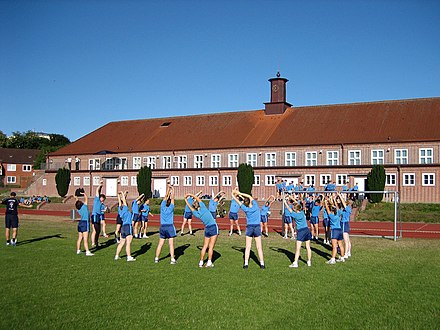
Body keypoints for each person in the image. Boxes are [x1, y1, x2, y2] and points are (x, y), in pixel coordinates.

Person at [232, 189, 265, 269]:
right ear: (250, 201)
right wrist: (240, 193)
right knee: (259, 247)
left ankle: (246, 264)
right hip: (257, 227)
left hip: (249, 227)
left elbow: (239, 201)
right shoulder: (256, 206)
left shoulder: (245, 209)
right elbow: (249, 197)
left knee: (248, 247)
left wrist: (234, 194)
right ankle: (262, 264)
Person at [185, 193, 219, 268]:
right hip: (213, 227)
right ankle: (209, 262)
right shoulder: (203, 207)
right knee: (211, 247)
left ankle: (201, 262)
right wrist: (190, 194)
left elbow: (190, 207)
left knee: (205, 246)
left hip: (207, 228)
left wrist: (186, 200)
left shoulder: (196, 213)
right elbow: (198, 199)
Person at [285, 197, 312, 268]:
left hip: (301, 231)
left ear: (295, 209)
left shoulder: (295, 215)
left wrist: (285, 202)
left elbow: (289, 209)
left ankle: (295, 263)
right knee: (308, 247)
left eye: (294, 207)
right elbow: (297, 204)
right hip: (306, 230)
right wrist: (291, 198)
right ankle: (309, 261)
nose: (293, 207)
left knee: (298, 248)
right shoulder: (302, 212)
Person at [155, 185, 177, 264]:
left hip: (162, 226)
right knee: (171, 244)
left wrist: (168, 188)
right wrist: (173, 189)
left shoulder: (162, 206)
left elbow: (165, 196)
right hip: (169, 226)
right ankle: (172, 259)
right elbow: (173, 198)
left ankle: (156, 258)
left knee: (160, 244)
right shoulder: (171, 207)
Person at [114, 191, 136, 261]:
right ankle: (129, 257)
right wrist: (122, 194)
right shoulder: (126, 209)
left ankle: (116, 255)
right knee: (128, 243)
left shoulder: (120, 210)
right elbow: (123, 200)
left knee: (121, 242)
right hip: (128, 226)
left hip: (123, 227)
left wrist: (118, 195)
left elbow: (120, 202)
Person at [324, 197, 345, 264]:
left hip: (334, 231)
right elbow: (337, 207)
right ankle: (342, 257)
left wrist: (325, 202)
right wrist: (333, 201)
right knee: (340, 245)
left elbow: (327, 209)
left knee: (334, 246)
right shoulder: (338, 213)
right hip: (340, 230)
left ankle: (333, 259)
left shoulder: (331, 216)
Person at [74, 192, 94, 256]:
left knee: (80, 238)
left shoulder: (79, 209)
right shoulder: (84, 207)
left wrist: (76, 198)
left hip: (80, 223)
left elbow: (77, 202)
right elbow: (86, 198)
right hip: (85, 223)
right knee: (85, 239)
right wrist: (84, 193)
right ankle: (87, 251)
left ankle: (78, 250)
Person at [91, 182, 106, 247]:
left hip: (98, 217)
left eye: (103, 199)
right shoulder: (97, 200)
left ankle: (96, 242)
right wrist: (100, 185)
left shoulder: (101, 204)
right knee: (95, 230)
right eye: (102, 199)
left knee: (98, 230)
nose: (102, 200)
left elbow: (101, 211)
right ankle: (93, 243)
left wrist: (104, 210)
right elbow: (97, 191)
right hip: (94, 216)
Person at [339, 193, 353, 258]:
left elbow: (343, 203)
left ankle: (346, 254)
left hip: (344, 223)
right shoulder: (344, 209)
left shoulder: (347, 208)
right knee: (348, 239)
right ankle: (349, 252)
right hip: (343, 223)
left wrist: (340, 195)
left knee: (345, 240)